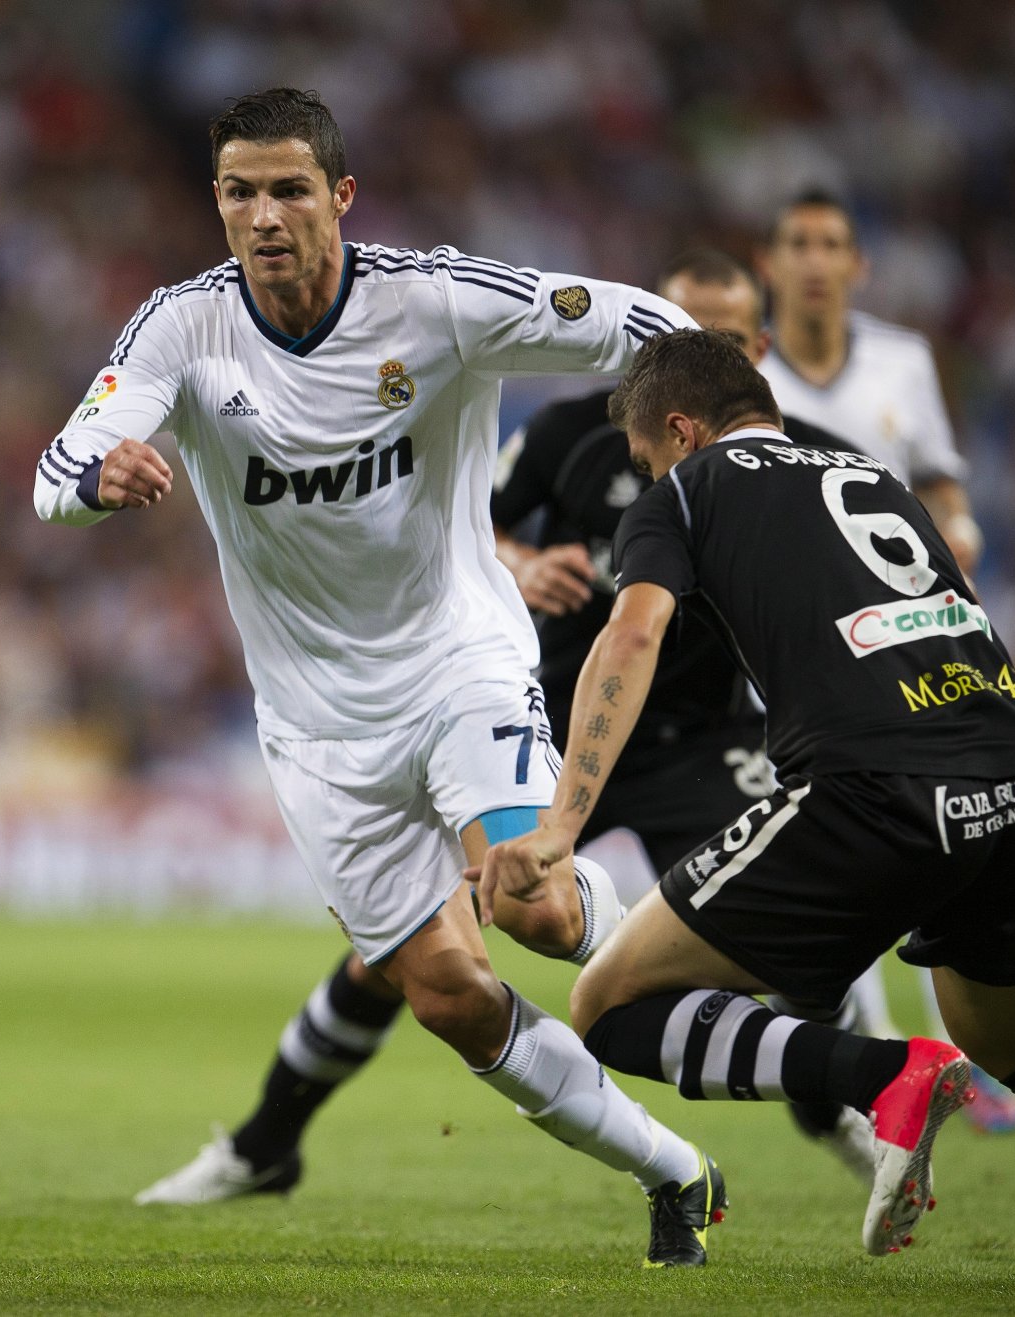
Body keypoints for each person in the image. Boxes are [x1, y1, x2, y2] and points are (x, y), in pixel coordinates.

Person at [35, 87, 726, 1268]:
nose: (263, 216)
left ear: (342, 196)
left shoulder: (438, 301)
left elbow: (656, 328)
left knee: (536, 905)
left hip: (458, 661)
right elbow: (61, 466)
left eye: (288, 190)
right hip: (314, 727)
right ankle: (674, 1170)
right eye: (239, 192)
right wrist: (98, 483)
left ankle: (701, 959)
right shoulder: (183, 329)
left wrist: (688, 439)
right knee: (448, 994)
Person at [134, 250, 877, 1211]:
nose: (688, 356)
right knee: (421, 956)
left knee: (755, 937)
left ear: (757, 354)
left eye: (720, 340)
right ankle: (264, 1141)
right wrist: (521, 562)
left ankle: (842, 1097)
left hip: (702, 741)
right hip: (569, 711)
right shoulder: (578, 434)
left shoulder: (802, 462)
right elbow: (460, 518)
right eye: (675, 331)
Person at [473, 328, 1015, 1257]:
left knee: (608, 1003)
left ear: (680, 431)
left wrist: (561, 826)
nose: (646, 477)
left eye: (644, 459)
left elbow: (630, 638)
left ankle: (886, 1076)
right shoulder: (873, 475)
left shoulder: (685, 492)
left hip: (876, 788)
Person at [756, 187, 1015, 1130]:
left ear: (857, 265)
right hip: (790, 653)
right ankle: (887, 1069)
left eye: (832, 243)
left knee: (929, 844)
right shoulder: (747, 373)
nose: (815, 259)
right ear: (769, 263)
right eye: (798, 242)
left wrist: (960, 528)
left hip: (903, 641)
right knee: (842, 857)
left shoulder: (902, 362)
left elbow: (942, 482)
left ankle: (965, 1053)